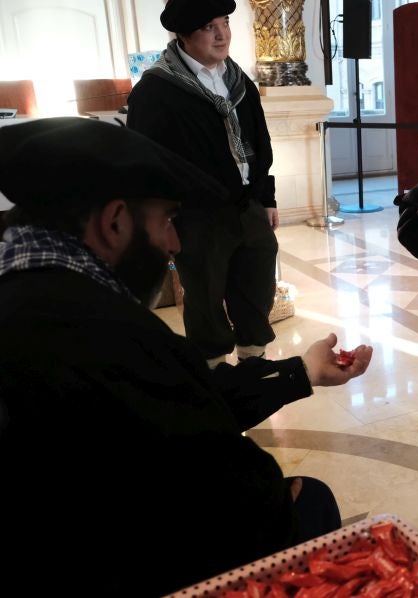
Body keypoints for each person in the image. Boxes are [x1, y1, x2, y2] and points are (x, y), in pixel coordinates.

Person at [0, 118, 374, 596]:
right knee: (312, 503)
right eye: (167, 221)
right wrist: (281, 502)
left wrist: (299, 371)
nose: (174, 245)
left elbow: (181, 399)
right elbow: (237, 494)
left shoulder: (31, 293)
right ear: (114, 222)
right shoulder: (104, 329)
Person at [127, 0, 279, 368]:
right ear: (183, 34)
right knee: (205, 299)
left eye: (225, 22)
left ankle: (254, 364)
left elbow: (259, 142)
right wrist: (162, 222)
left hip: (248, 206)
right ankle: (215, 378)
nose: (222, 33)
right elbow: (145, 164)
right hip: (196, 217)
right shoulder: (156, 90)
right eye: (208, 26)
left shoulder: (239, 81)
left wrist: (266, 197)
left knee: (256, 290)